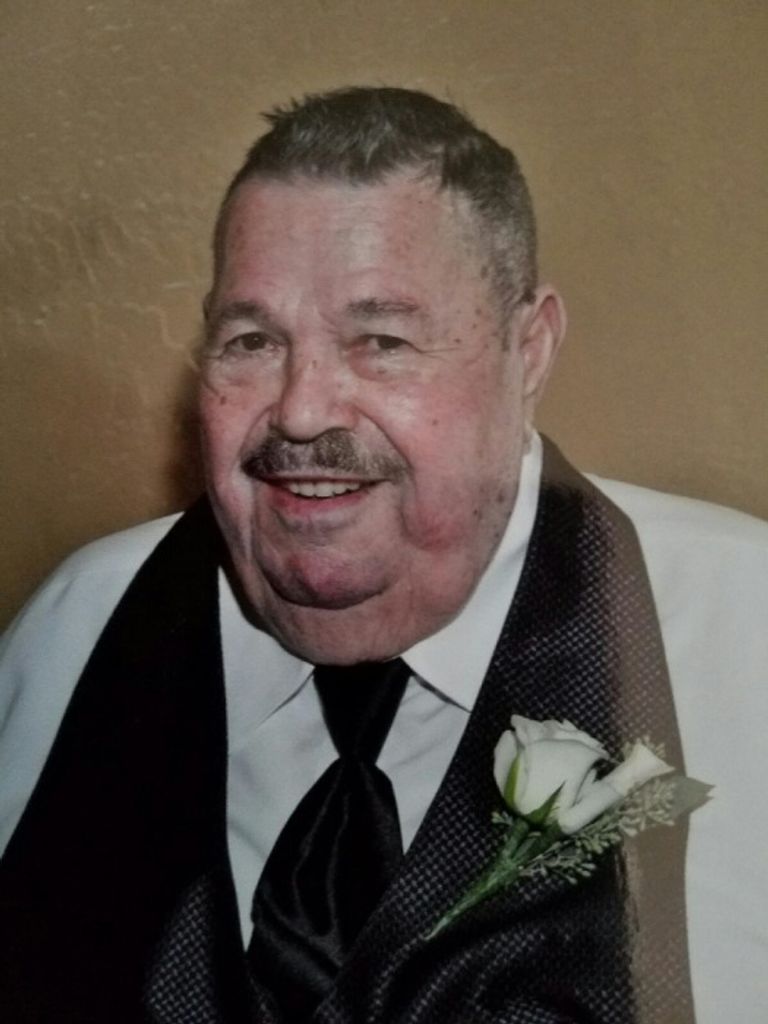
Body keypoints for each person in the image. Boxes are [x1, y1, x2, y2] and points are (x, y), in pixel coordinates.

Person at [0, 87, 766, 1024]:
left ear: (529, 352)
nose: (300, 411)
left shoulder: (743, 632)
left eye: (382, 340)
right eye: (251, 340)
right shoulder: (80, 628)